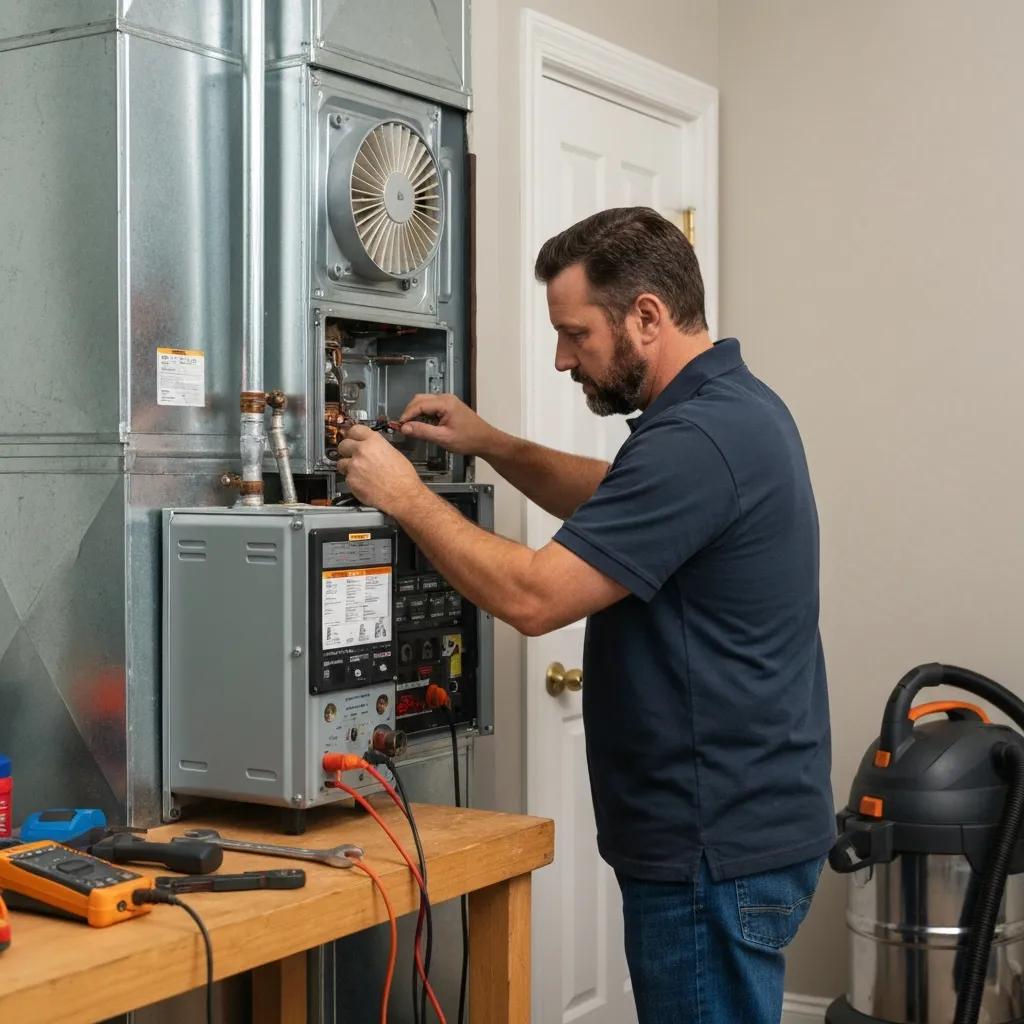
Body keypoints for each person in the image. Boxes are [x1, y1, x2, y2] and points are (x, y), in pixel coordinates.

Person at [337, 207, 833, 1024]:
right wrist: (490, 443)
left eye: (576, 334)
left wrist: (406, 496)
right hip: (742, 827)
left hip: (715, 843)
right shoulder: (729, 410)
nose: (565, 358)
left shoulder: (697, 440)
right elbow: (619, 500)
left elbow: (536, 596)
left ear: (646, 315)